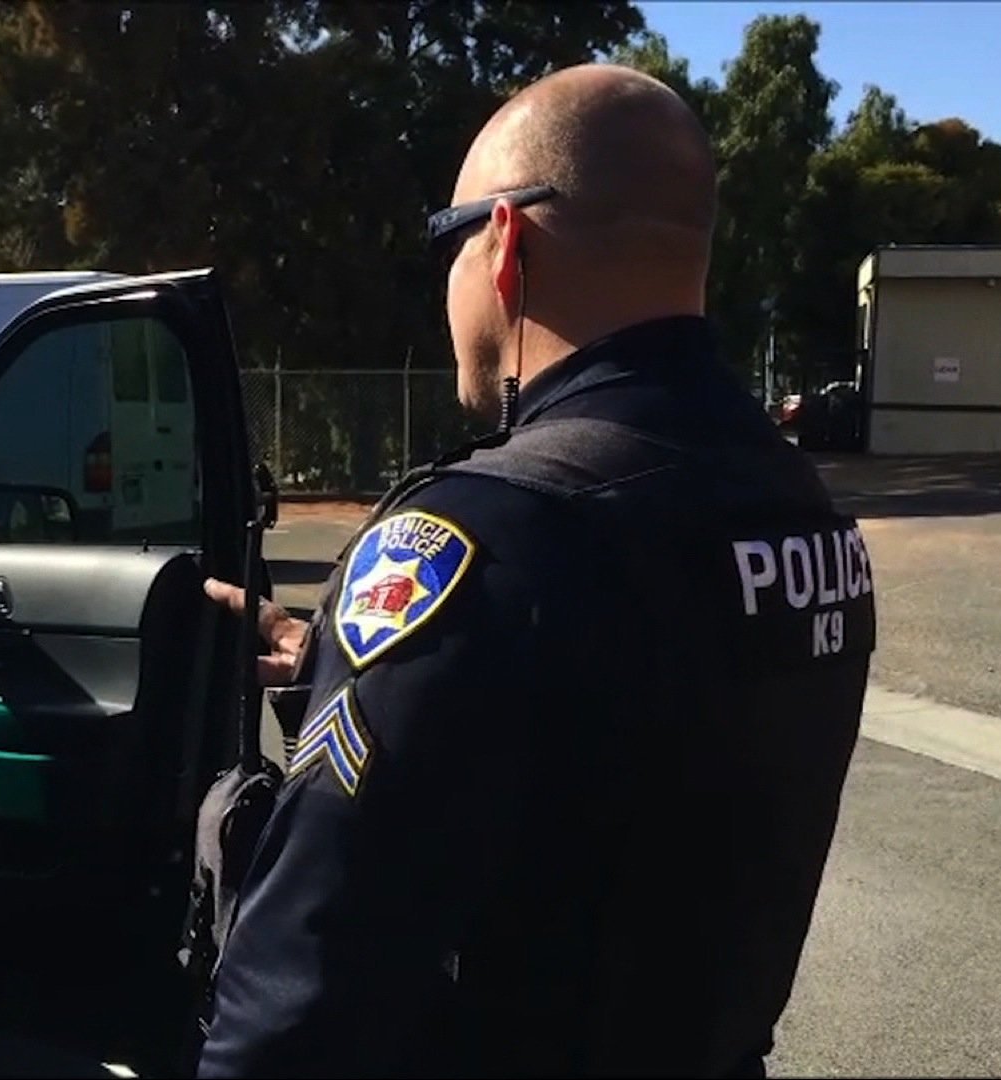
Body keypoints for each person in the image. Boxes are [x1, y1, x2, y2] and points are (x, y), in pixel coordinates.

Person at [196, 64, 877, 1078]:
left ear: (505, 244)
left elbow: (302, 994)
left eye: (448, 239)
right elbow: (618, 753)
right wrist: (346, 668)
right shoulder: (804, 511)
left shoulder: (485, 536)